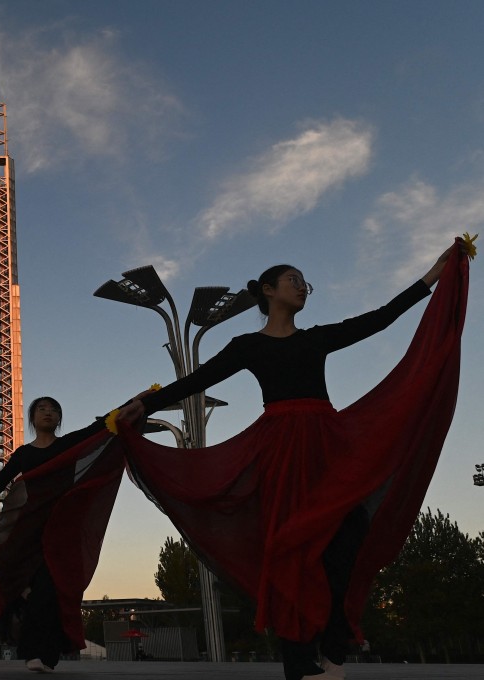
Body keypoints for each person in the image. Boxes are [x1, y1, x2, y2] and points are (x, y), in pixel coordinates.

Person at [117, 238, 470, 680]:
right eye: (293, 280)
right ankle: (299, 661)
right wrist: (144, 405)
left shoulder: (317, 339)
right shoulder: (248, 345)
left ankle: (334, 648)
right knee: (291, 548)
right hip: (282, 451)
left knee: (348, 539)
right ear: (268, 290)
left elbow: (379, 320)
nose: (302, 288)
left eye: (306, 284)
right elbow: (198, 379)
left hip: (328, 446)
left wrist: (434, 276)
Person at [0, 396, 134, 673]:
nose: (48, 413)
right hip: (29, 528)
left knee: (51, 590)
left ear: (59, 419)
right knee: (27, 587)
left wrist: (138, 401)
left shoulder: (67, 445)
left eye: (53, 410)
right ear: (32, 419)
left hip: (60, 529)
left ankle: (44, 655)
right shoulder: (25, 454)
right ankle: (34, 653)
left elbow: (101, 426)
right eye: (42, 409)